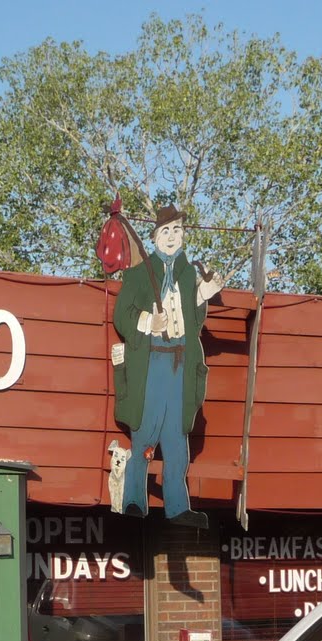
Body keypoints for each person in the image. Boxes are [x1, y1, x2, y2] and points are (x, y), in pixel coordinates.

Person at [111, 204, 224, 527]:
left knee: (176, 437)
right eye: (166, 231)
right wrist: (149, 320)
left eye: (177, 230)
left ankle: (177, 506)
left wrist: (204, 293)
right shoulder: (138, 274)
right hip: (152, 362)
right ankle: (134, 500)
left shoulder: (188, 273)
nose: (172, 237)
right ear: (155, 237)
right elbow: (123, 314)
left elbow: (191, 315)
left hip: (181, 362)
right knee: (144, 430)